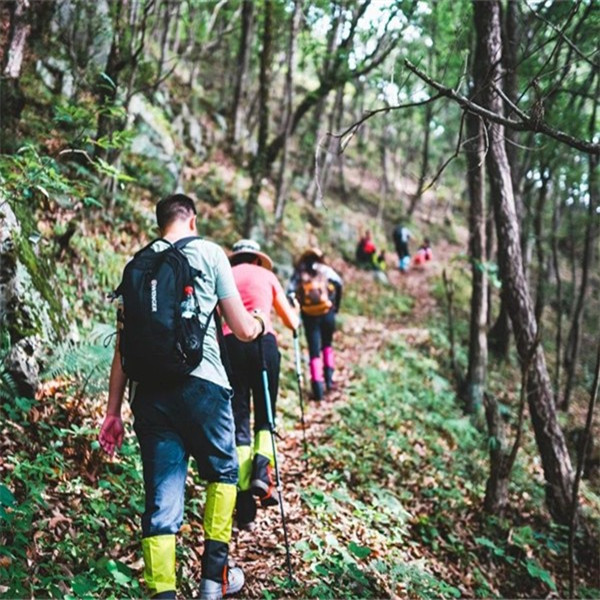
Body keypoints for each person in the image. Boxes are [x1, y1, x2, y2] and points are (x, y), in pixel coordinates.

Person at [98, 194, 266, 600]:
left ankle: (163, 593)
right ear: (192, 219)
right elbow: (241, 329)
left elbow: (122, 348)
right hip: (203, 386)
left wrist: (112, 413)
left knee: (161, 498)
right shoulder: (209, 252)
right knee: (223, 473)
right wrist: (260, 324)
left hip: (149, 397)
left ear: (160, 223)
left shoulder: (137, 264)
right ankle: (212, 582)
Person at [222, 239, 300, 531]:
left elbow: (217, 318)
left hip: (231, 344)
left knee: (239, 419)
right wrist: (296, 312)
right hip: (263, 343)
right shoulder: (268, 276)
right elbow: (292, 323)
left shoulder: (226, 276)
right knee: (266, 415)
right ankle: (261, 471)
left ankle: (244, 508)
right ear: (257, 259)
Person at [288, 248, 343, 400]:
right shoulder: (325, 270)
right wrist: (335, 304)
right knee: (327, 344)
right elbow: (339, 283)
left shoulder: (299, 272)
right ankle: (329, 379)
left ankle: (317, 388)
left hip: (309, 315)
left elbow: (290, 292)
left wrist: (296, 309)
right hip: (327, 313)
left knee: (313, 350)